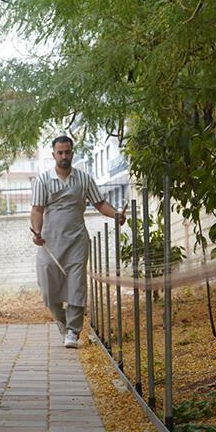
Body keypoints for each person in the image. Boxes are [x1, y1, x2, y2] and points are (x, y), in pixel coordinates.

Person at [30, 135, 125, 348]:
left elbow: (100, 203)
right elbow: (37, 210)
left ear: (72, 153)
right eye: (60, 153)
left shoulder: (84, 179)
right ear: (53, 154)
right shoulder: (43, 180)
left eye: (67, 152)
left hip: (76, 241)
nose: (64, 156)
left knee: (76, 285)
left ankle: (73, 331)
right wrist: (36, 232)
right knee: (47, 286)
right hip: (49, 242)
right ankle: (62, 321)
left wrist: (116, 215)